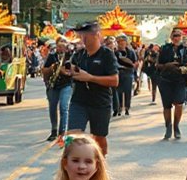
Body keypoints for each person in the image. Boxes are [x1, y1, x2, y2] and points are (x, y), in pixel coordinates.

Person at [67, 22, 119, 155]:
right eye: (81, 35)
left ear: (96, 35)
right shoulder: (79, 54)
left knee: (99, 138)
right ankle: (70, 165)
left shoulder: (107, 55)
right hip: (79, 101)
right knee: (72, 136)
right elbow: (69, 69)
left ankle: (101, 165)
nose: (83, 38)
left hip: (100, 103)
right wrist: (68, 71)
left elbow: (114, 80)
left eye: (86, 35)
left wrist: (90, 78)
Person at [156, 29, 187, 140]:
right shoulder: (165, 49)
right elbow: (158, 65)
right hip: (166, 80)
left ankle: (176, 126)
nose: (177, 38)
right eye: (175, 35)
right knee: (166, 106)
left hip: (180, 80)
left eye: (179, 35)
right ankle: (168, 126)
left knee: (179, 103)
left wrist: (183, 68)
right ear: (171, 37)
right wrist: (168, 65)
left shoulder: (185, 50)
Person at [42, 37, 74, 142]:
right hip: (53, 85)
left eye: (63, 44)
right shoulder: (52, 56)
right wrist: (53, 68)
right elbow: (44, 70)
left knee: (64, 107)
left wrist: (65, 71)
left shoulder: (71, 55)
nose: (61, 47)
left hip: (66, 84)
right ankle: (54, 130)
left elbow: (73, 69)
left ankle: (62, 132)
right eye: (59, 45)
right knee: (52, 107)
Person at [114, 35, 138, 117]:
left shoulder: (131, 52)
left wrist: (133, 66)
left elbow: (135, 62)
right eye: (119, 42)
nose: (121, 44)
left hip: (128, 73)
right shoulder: (115, 53)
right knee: (119, 91)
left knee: (128, 91)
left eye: (123, 42)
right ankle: (120, 107)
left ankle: (127, 108)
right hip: (119, 73)